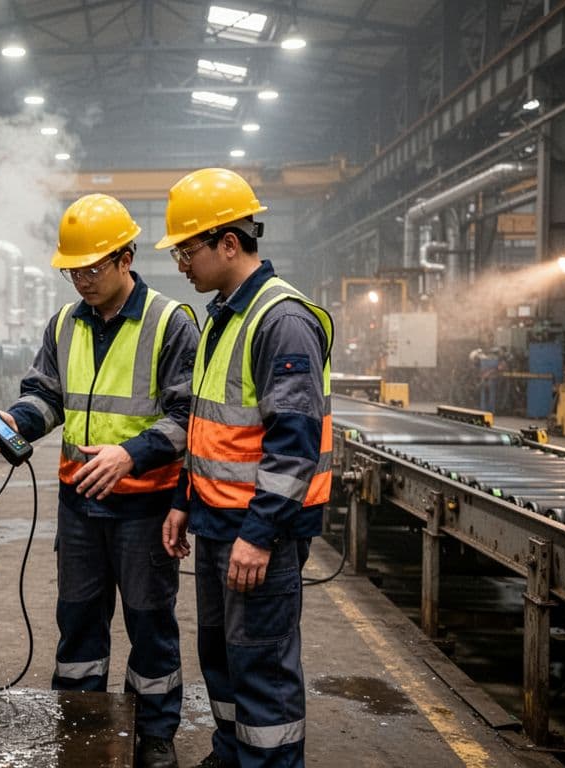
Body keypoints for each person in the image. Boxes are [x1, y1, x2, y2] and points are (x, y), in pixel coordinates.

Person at [0, 193, 199, 768]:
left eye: (92, 267)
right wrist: (14, 423)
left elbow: (188, 418)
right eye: (72, 269)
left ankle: (154, 733)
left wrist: (131, 455)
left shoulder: (171, 323)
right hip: (79, 505)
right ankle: (80, 722)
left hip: (144, 507)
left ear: (126, 258)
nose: (81, 280)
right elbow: (46, 397)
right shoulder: (64, 324)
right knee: (77, 621)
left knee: (150, 624)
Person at [157, 169, 333, 768]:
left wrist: (259, 536)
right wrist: (184, 498)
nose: (181, 261)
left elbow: (294, 444)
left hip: (260, 531)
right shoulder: (224, 314)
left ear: (229, 242)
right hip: (216, 524)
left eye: (188, 248)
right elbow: (208, 425)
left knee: (261, 666)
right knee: (224, 658)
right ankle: (232, 755)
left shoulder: (281, 320)